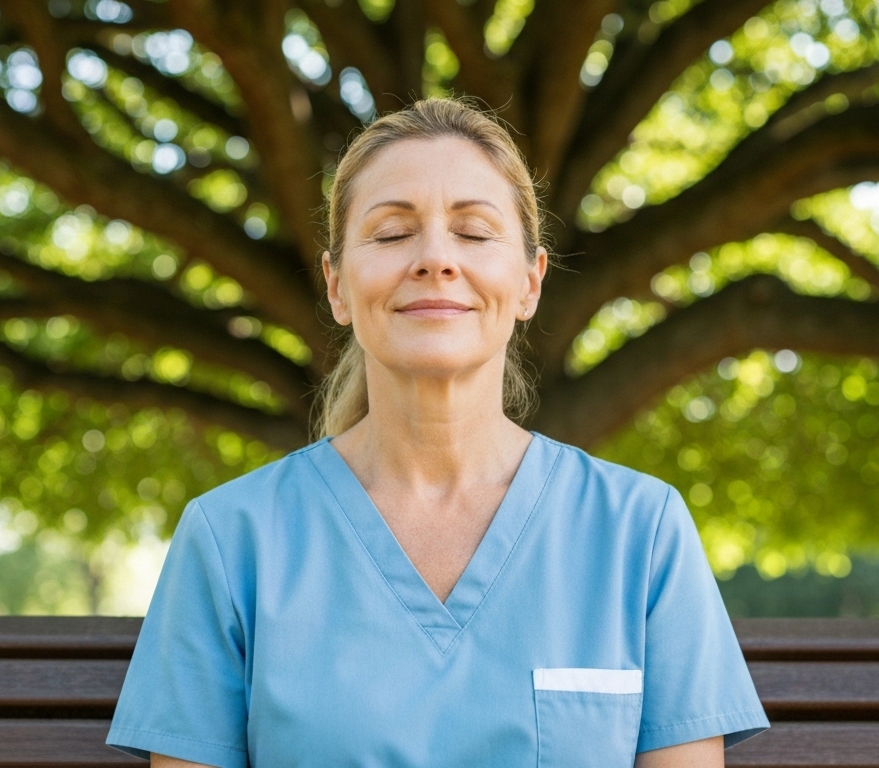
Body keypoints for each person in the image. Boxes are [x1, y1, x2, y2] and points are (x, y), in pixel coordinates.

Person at [106, 97, 769, 767]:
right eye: (392, 233)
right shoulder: (230, 540)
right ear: (336, 286)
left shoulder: (640, 532)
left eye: (474, 232)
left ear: (530, 284)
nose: (434, 259)